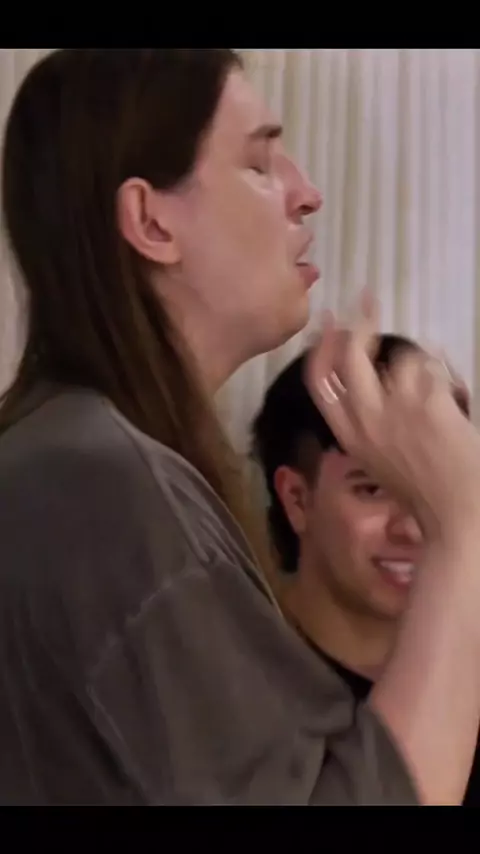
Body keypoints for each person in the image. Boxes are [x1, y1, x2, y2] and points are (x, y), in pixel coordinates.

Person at [0, 49, 480, 806]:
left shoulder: (74, 460)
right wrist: (462, 522)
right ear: (151, 221)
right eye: (259, 164)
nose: (307, 195)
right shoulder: (102, 487)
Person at [251, 334, 480, 805]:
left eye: (436, 486)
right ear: (297, 499)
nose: (413, 528)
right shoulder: (240, 680)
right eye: (372, 489)